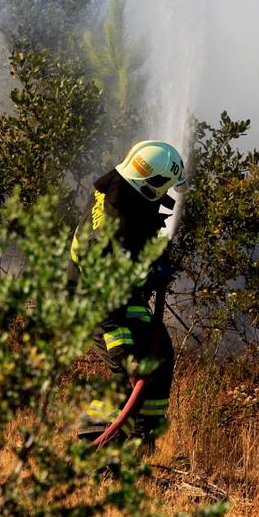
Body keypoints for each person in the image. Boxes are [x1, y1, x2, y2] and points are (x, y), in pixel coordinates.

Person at [67, 140, 186, 448]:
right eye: (164, 188)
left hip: (115, 293)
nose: (165, 195)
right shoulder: (110, 238)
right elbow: (106, 311)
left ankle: (142, 437)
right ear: (149, 184)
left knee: (159, 351)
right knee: (128, 372)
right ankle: (94, 443)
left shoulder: (120, 185)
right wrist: (125, 354)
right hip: (94, 303)